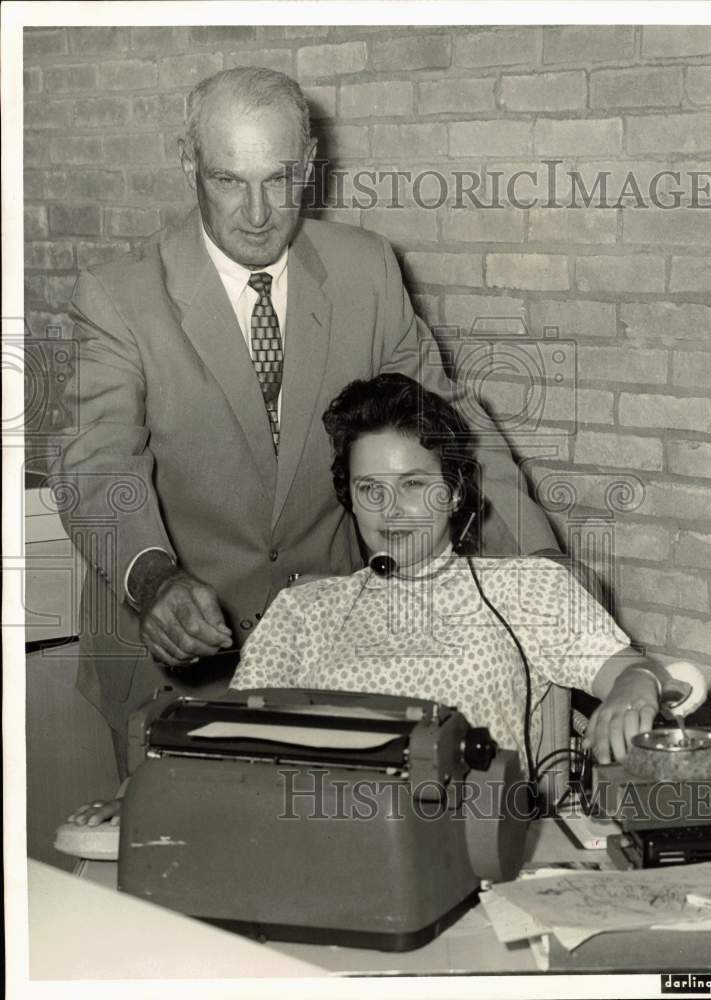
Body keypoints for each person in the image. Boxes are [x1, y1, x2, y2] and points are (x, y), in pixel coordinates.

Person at [50, 66, 558, 773]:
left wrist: (546, 568)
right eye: (229, 180)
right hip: (172, 669)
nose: (258, 213)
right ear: (188, 163)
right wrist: (152, 581)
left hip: (336, 659)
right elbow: (96, 463)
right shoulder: (118, 298)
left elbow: (450, 436)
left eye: (280, 179)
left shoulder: (367, 271)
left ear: (312, 167)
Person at [69, 374, 669, 830]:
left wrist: (633, 690)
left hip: (475, 843)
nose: (393, 510)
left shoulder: (526, 588)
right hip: (316, 839)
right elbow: (236, 740)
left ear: (455, 491)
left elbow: (634, 671)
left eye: (414, 485)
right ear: (349, 499)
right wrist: (139, 796)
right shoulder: (304, 610)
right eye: (370, 490)